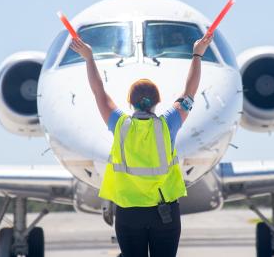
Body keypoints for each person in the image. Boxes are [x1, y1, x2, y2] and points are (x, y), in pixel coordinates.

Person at [70, 33, 213, 257]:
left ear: (129, 102)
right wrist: (197, 54)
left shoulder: (120, 124)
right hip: (164, 213)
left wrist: (88, 58)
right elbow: (190, 92)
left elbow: (99, 91)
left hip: (129, 214)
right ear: (157, 101)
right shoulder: (168, 125)